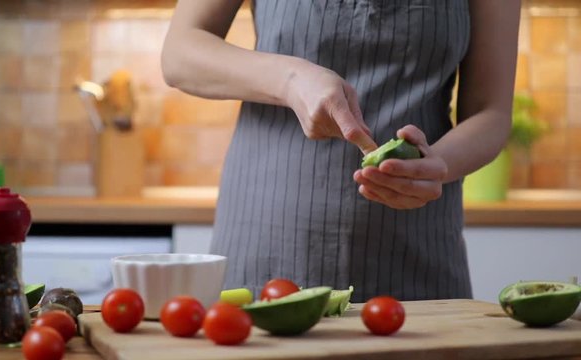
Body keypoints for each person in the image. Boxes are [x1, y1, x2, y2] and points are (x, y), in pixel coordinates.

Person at [161, 0, 520, 301]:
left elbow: (492, 112)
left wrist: (441, 163)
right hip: (266, 238)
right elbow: (180, 52)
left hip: (417, 248)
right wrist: (290, 80)